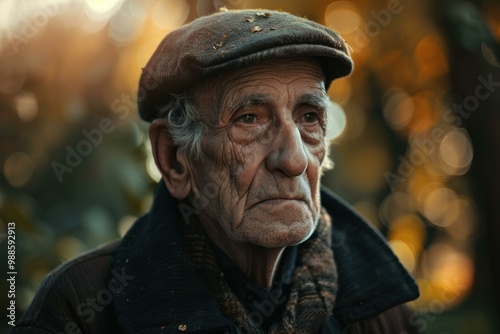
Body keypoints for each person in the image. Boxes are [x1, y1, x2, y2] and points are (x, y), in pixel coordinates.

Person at [14, 9, 419, 334]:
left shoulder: (379, 306)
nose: (294, 160)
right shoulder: (79, 309)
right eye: (249, 119)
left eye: (309, 117)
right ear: (174, 159)